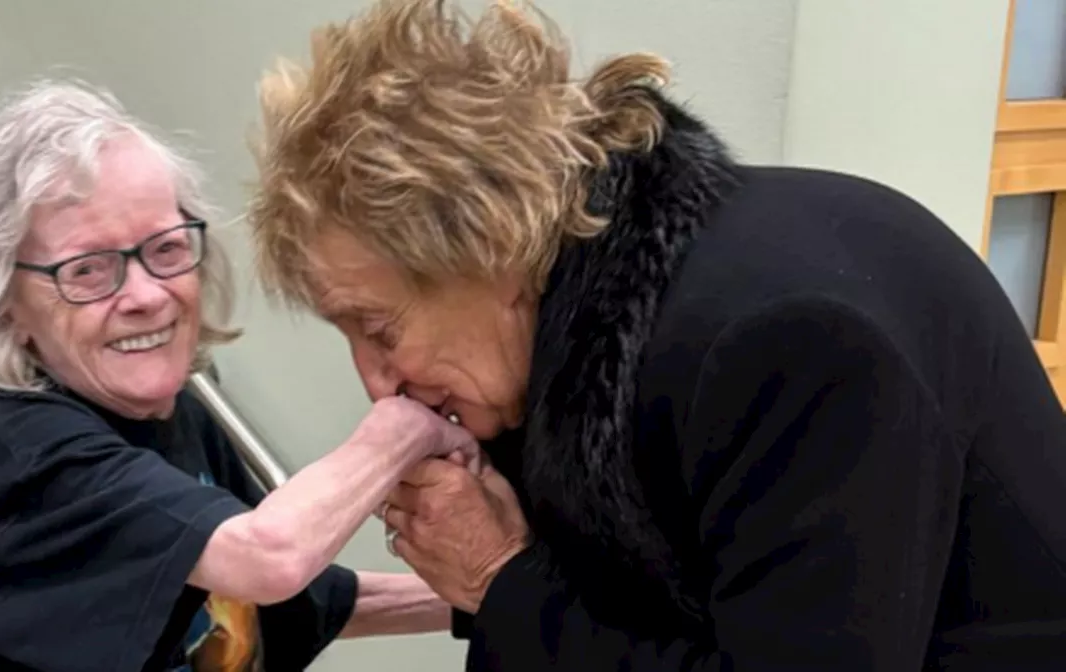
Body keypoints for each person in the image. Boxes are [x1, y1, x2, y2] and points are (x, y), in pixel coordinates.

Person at [245, 0, 1066, 669]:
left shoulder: (788, 342)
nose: (377, 382)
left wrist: (503, 580)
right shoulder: (581, 336)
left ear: (489, 247)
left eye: (379, 329)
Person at [0, 78, 473, 672]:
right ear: (7, 307)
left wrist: (501, 588)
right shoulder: (17, 447)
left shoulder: (174, 419)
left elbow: (298, 600)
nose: (146, 295)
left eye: (165, 250)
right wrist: (405, 429)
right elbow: (268, 560)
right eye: (88, 270)